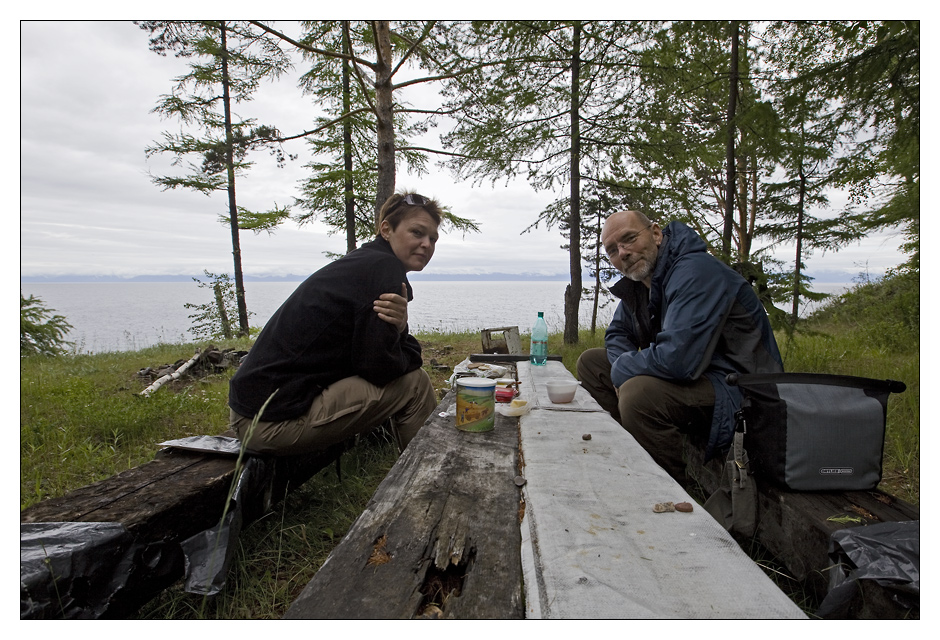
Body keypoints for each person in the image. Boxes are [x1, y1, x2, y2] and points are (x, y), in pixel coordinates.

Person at [577, 210, 783, 486]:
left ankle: (669, 490)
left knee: (638, 394)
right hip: (702, 376)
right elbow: (618, 333)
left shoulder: (695, 271)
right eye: (612, 250)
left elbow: (678, 360)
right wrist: (620, 366)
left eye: (629, 239)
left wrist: (623, 370)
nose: (623, 253)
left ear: (656, 234)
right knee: (591, 362)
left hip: (742, 389)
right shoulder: (642, 281)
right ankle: (626, 456)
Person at [228, 191, 442, 456]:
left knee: (409, 375)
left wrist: (399, 331)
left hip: (254, 410)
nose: (426, 244)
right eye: (417, 233)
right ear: (386, 229)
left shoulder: (365, 262)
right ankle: (430, 476)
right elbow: (379, 368)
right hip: (271, 423)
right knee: (415, 385)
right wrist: (409, 346)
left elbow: (369, 354)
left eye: (433, 238)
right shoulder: (383, 268)